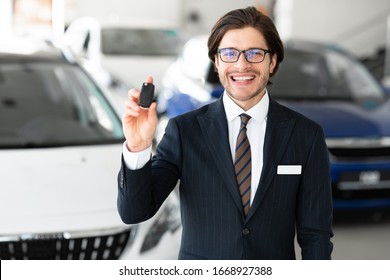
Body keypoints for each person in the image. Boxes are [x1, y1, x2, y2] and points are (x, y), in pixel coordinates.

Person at [117, 6, 333, 260]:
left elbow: (315, 235)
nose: (242, 64)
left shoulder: (306, 135)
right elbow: (135, 213)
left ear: (272, 61)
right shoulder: (184, 131)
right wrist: (138, 146)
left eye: (255, 53)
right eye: (230, 53)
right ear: (217, 62)